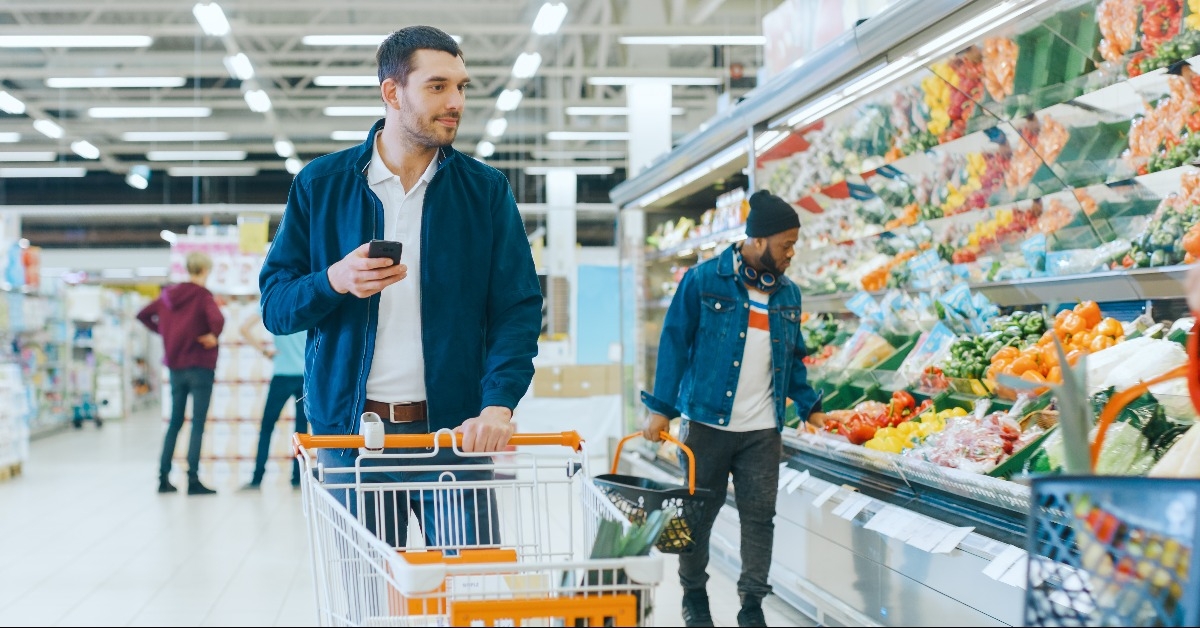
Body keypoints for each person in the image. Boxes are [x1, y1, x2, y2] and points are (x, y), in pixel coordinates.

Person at [259, 25, 541, 547]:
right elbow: (276, 307)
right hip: (352, 441)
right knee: (365, 605)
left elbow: (517, 310)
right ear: (392, 92)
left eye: (461, 86)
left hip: (455, 440)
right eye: (437, 87)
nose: (455, 101)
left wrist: (498, 405)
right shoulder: (321, 186)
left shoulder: (484, 193)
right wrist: (333, 280)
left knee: (464, 598)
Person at [641, 190, 828, 628]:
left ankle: (751, 607)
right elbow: (674, 344)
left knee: (759, 520)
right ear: (758, 240)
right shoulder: (704, 280)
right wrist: (661, 409)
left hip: (763, 431)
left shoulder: (788, 295)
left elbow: (792, 361)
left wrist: (809, 405)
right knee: (696, 519)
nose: (790, 253)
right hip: (706, 423)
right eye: (785, 244)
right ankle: (695, 599)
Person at [137, 251, 225, 496]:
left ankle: (163, 477)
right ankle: (193, 479)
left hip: (175, 367)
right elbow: (217, 320)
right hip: (200, 366)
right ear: (205, 271)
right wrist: (213, 335)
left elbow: (142, 315)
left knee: (175, 423)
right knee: (197, 424)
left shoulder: (167, 296)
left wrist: (164, 331)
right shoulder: (203, 295)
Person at [239, 311, 307, 489]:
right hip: (305, 377)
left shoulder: (274, 301)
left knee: (267, 427)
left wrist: (264, 352)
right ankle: (297, 479)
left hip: (282, 376)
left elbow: (244, 329)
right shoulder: (308, 301)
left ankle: (257, 479)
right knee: (301, 431)